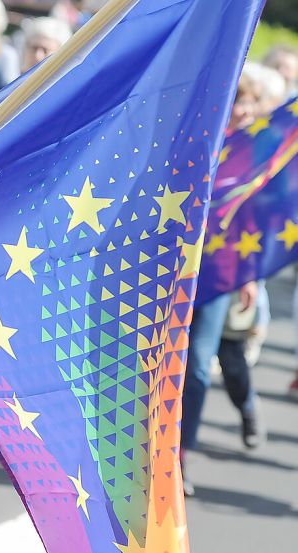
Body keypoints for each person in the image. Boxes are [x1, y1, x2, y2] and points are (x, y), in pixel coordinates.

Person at [180, 66, 269, 496]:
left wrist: (249, 276)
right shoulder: (200, 139)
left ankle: (181, 458)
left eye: (249, 103)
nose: (242, 110)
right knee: (164, 363)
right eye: (237, 101)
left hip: (222, 276)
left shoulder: (256, 159)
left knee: (199, 366)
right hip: (179, 270)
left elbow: (256, 220)